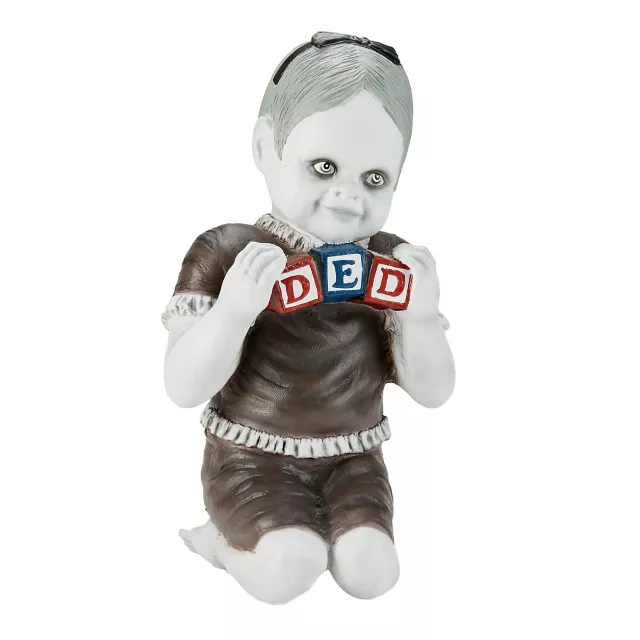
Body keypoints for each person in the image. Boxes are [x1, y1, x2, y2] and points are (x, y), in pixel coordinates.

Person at [162, 31, 455, 604]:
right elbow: (182, 386)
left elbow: (435, 391)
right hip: (250, 456)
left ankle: (321, 537)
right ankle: (225, 544)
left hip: (355, 459)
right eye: (323, 167)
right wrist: (233, 312)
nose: (347, 197)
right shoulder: (227, 253)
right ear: (264, 147)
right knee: (290, 568)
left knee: (373, 573)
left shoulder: (392, 264)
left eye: (375, 179)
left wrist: (419, 319)